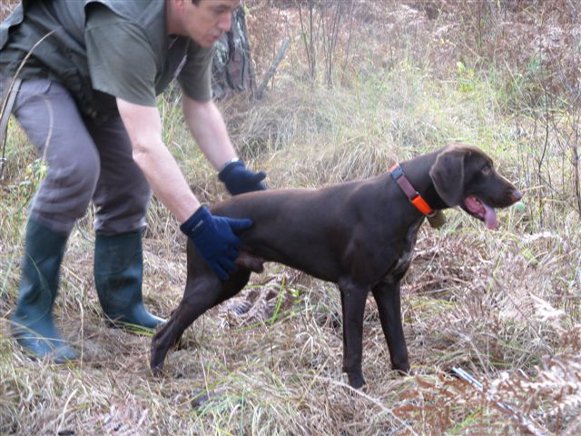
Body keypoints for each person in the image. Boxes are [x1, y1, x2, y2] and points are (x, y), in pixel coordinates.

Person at [0, 0, 266, 363]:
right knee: (76, 168)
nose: (227, 23)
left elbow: (199, 105)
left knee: (130, 182)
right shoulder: (127, 20)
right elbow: (146, 146)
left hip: (99, 85)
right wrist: (200, 224)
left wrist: (234, 171)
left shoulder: (199, 27)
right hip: (38, 66)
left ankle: (122, 304)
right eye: (219, 9)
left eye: (232, 10)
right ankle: (31, 314)